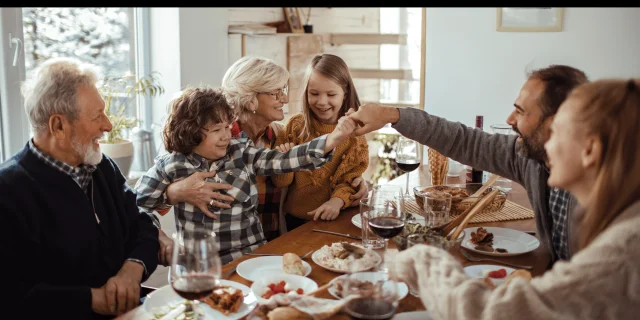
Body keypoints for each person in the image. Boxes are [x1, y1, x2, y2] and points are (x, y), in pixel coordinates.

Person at [387, 78, 640, 320]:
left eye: (559, 131)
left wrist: (425, 260)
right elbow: (466, 140)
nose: (549, 145)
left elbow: (488, 314)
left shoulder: (624, 252)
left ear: (590, 150)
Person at [348, 65, 589, 265]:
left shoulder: (600, 188)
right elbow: (463, 140)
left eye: (521, 111)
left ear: (557, 123)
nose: (509, 120)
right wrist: (392, 115)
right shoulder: (531, 159)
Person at [0, 57, 160, 318]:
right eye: (97, 116)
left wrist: (133, 268)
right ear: (58, 126)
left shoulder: (101, 166)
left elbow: (142, 225)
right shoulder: (9, 191)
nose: (108, 125)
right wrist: (92, 299)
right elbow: (11, 297)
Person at [135, 86, 357, 264]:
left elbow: (286, 159)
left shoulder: (240, 152)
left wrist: (334, 138)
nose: (225, 136)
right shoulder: (171, 165)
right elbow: (138, 206)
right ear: (190, 132)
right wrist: (160, 237)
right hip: (199, 266)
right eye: (216, 130)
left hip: (251, 257)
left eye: (226, 127)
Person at [156, 56, 369, 243]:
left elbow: (314, 168)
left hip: (270, 245)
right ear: (251, 99)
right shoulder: (203, 142)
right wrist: (175, 192)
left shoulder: (279, 135)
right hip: (213, 252)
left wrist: (359, 184)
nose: (284, 99)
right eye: (276, 93)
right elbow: (149, 203)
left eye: (283, 91)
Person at [272, 54, 369, 230]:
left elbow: (351, 180)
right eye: (314, 93)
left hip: (336, 217)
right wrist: (285, 159)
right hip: (294, 220)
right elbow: (280, 182)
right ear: (306, 92)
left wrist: (337, 201)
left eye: (331, 94)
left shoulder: (355, 134)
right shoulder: (296, 126)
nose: (322, 102)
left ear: (345, 93)